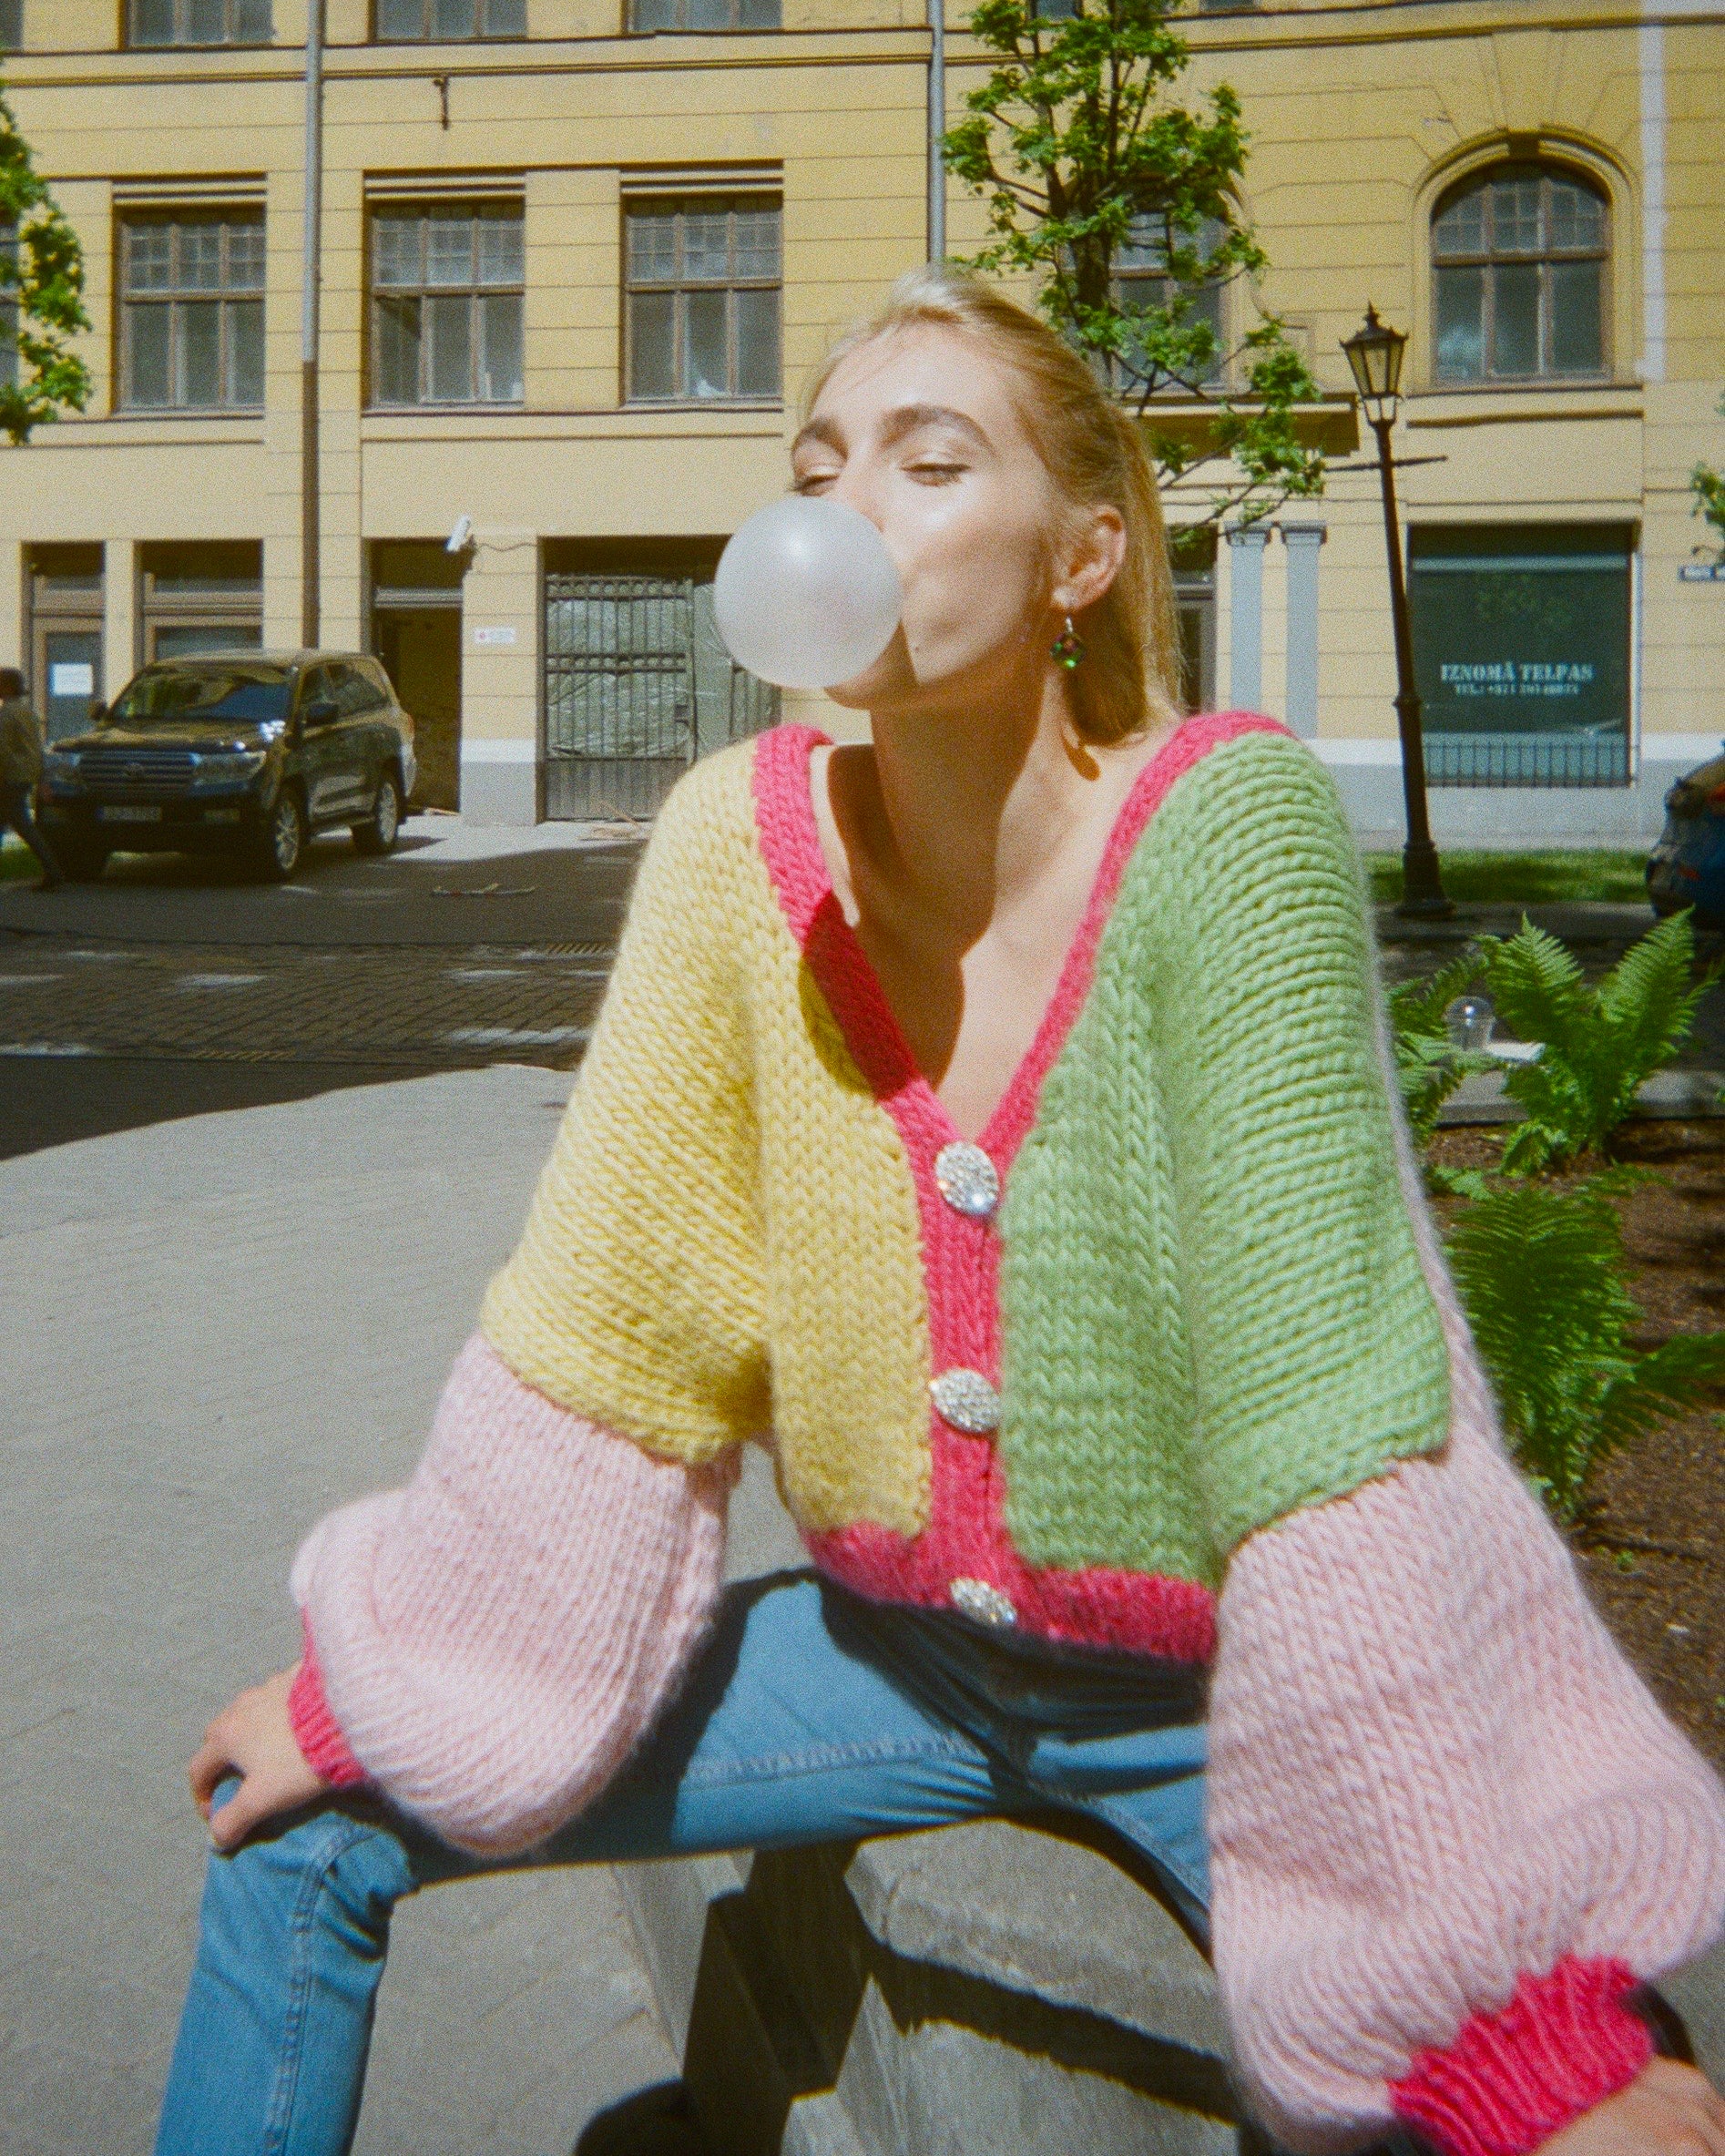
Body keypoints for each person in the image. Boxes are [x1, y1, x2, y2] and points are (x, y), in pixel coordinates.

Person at [157, 269, 1725, 2156]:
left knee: (1532, 2090)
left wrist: (1503, 2028)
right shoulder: (737, 847)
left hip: (1213, 1700)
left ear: (1082, 554)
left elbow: (1327, 1400)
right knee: (299, 1830)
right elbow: (611, 1329)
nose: (841, 509)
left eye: (927, 459)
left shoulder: (1227, 833)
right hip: (892, 1657)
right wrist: (388, 1685)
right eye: (818, 462)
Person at [0, 667, 63, 890]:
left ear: (6, 687)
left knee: (22, 825)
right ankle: (53, 870)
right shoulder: (28, 712)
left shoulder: (7, 714)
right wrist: (41, 777)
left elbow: (4, 750)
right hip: (25, 774)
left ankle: (53, 870)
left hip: (10, 777)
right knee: (16, 822)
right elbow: (37, 748)